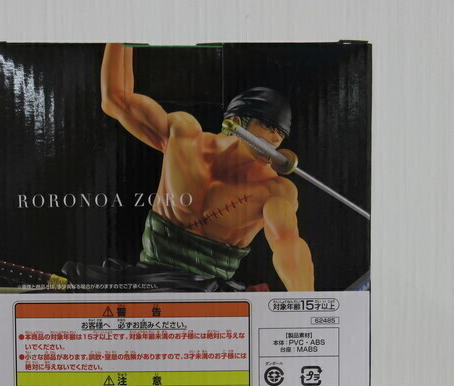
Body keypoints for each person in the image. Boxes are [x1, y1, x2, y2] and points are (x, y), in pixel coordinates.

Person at [62, 43, 314, 292]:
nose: (274, 139)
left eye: (280, 133)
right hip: (146, 276)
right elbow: (116, 100)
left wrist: (305, 301)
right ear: (237, 122)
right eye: (267, 126)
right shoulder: (184, 136)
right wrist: (121, 34)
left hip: (206, 291)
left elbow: (287, 242)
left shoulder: (275, 190)